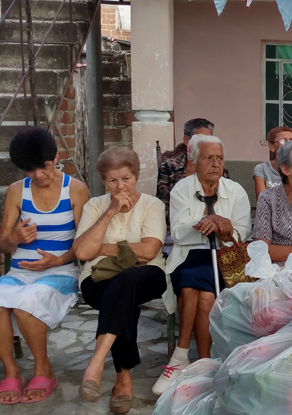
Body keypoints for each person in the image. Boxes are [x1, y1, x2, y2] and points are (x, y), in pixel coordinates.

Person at [0, 127, 89, 404]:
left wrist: (60, 260)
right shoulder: (17, 191)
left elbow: (84, 243)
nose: (38, 175)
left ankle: (44, 370)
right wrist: (15, 237)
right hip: (19, 272)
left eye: (42, 167)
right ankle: (12, 372)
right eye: (29, 170)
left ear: (54, 157)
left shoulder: (75, 190)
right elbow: (4, 244)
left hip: (60, 271)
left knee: (26, 304)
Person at [153, 135, 251, 395]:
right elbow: (178, 232)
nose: (216, 163)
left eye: (220, 158)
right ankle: (202, 362)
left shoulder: (235, 190)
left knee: (199, 293)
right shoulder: (182, 189)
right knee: (195, 287)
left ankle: (182, 357)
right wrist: (207, 222)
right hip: (188, 254)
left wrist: (226, 231)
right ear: (193, 162)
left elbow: (243, 233)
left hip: (224, 256)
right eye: (209, 158)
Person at [73, 147, 167, 413]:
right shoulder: (95, 206)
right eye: (112, 180)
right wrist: (110, 212)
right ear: (104, 181)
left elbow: (149, 251)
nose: (120, 185)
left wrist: (102, 248)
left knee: (126, 280)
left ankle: (97, 361)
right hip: (98, 278)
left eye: (126, 178)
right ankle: (123, 379)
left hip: (148, 274)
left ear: (136, 176)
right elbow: (81, 252)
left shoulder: (152, 205)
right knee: (122, 295)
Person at [156, 118, 230, 256]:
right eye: (200, 138)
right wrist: (189, 175)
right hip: (181, 229)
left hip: (217, 232)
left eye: (209, 139)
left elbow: (227, 202)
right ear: (186, 140)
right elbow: (164, 207)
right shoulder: (171, 166)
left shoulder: (219, 168)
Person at [254, 126, 292, 198]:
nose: (289, 144)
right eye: (283, 141)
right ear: (272, 147)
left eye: (291, 140)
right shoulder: (262, 169)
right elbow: (261, 201)